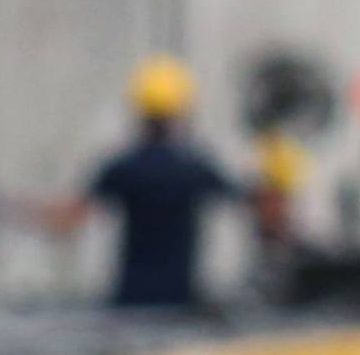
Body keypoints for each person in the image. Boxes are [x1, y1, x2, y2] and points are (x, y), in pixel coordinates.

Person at [70, 56, 245, 310]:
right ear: (184, 109)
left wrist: (7, 206)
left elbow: (69, 219)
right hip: (179, 302)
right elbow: (254, 205)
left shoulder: (123, 167)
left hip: (130, 301)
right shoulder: (195, 167)